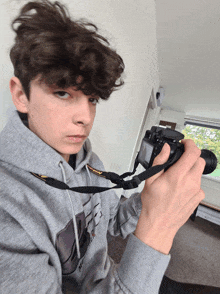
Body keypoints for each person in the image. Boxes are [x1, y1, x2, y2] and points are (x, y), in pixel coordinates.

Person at [0, 1, 206, 293]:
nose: (84, 117)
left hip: (122, 275)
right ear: (21, 95)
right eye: (62, 92)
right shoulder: (7, 204)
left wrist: (149, 199)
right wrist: (158, 227)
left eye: (92, 99)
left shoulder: (88, 160)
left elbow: (113, 223)